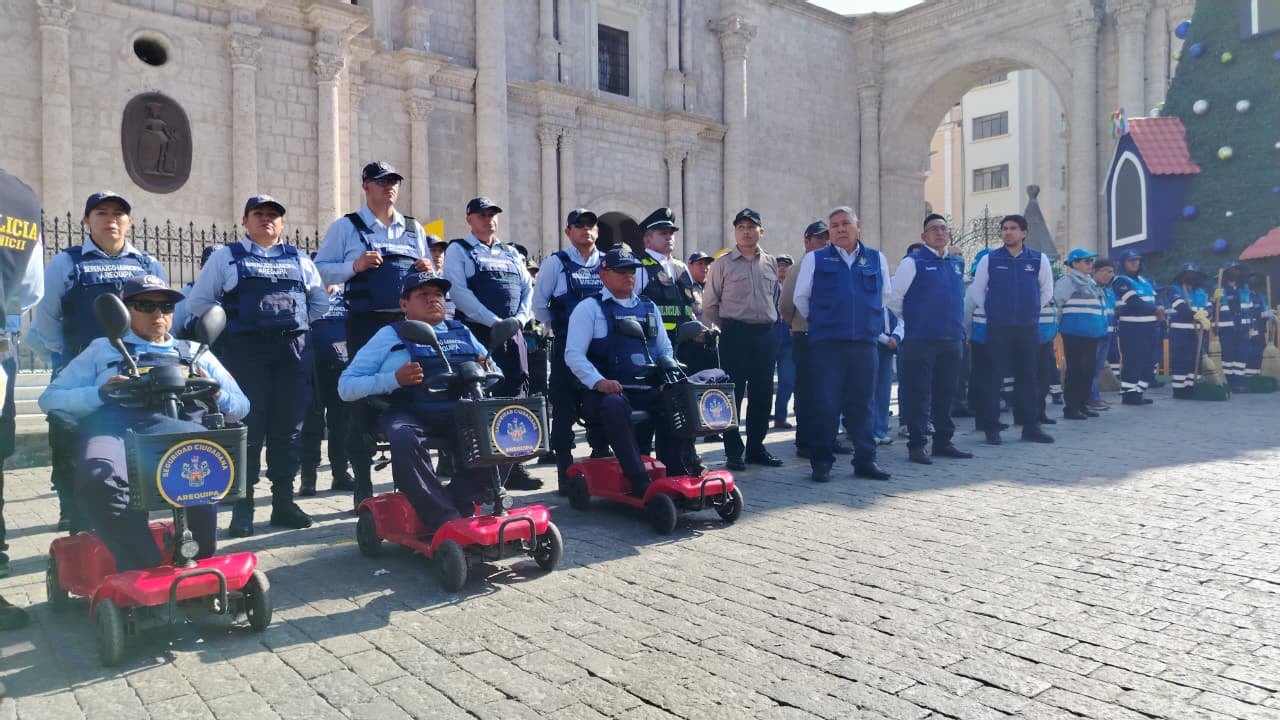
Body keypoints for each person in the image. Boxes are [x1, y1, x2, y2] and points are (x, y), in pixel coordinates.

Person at [38, 275, 249, 570]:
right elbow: (50, 398)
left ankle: (198, 558)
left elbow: (241, 406)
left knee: (203, 468)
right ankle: (142, 565)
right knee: (99, 476)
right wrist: (99, 393)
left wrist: (216, 393)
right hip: (116, 430)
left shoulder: (195, 352)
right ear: (124, 311)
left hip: (179, 431)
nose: (158, 314)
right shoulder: (103, 349)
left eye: (166, 306)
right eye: (146, 305)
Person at [186, 195, 328, 536]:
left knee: (288, 429)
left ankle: (283, 503)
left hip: (292, 353)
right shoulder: (226, 257)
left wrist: (291, 324)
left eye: (273, 215)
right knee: (248, 430)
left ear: (282, 223)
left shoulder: (299, 258)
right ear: (245, 221)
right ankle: (243, 506)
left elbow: (320, 302)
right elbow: (199, 302)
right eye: (259, 213)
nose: (266, 219)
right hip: (247, 353)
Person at [26, 191, 167, 533]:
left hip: (133, 372)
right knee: (69, 443)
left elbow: (160, 316)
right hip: (81, 369)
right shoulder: (67, 263)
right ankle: (74, 517)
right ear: (87, 220)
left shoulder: (147, 264)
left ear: (129, 221)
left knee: (130, 445)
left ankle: (128, 517)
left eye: (118, 213)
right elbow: (45, 321)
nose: (110, 219)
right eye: (101, 212)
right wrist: (68, 358)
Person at [314, 161, 434, 509]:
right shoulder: (346, 227)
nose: (389, 187)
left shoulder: (414, 228)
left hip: (407, 327)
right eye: (382, 182)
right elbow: (319, 270)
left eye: (394, 181)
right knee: (363, 399)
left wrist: (427, 269)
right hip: (366, 324)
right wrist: (355, 266)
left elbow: (428, 282)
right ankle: (363, 485)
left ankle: (411, 483)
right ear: (366, 185)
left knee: (412, 396)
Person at [337, 273, 495, 532]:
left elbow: (494, 371)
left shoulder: (461, 331)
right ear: (404, 305)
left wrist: (486, 369)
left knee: (505, 431)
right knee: (402, 436)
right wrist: (393, 379)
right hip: (410, 413)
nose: (433, 300)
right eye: (423, 295)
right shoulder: (390, 335)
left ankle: (458, 500)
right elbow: (346, 386)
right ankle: (443, 518)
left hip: (461, 412)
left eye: (438, 295)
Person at [564, 248, 703, 495]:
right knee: (614, 405)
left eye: (632, 271)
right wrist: (599, 381)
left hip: (644, 387)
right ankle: (638, 480)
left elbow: (664, 348)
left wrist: (668, 371)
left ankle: (676, 471)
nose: (628, 275)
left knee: (678, 398)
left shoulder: (648, 307)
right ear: (603, 274)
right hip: (603, 393)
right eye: (621, 271)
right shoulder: (589, 308)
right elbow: (573, 354)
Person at [442, 196, 541, 490]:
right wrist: (493, 322)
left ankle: (514, 467)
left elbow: (527, 289)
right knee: (478, 398)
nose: (489, 220)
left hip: (513, 333)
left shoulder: (510, 252)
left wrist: (519, 321)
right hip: (477, 333)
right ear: (469, 219)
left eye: (492, 214)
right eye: (482, 215)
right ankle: (473, 471)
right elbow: (459, 292)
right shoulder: (459, 249)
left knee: (517, 395)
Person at [793, 206, 892, 482]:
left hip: (864, 343)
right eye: (834, 225)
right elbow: (801, 298)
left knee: (863, 404)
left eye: (845, 223)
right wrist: (826, 322)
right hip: (828, 345)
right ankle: (822, 462)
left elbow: (885, 296)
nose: (840, 229)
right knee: (826, 404)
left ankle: (865, 460)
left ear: (858, 226)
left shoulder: (876, 259)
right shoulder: (815, 259)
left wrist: (865, 322)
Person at [887, 214, 972, 464]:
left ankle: (943, 442)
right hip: (920, 340)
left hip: (951, 339)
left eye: (944, 228)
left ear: (949, 234)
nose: (939, 232)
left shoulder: (956, 263)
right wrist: (914, 323)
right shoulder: (913, 262)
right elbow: (894, 300)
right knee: (919, 394)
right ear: (924, 236)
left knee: (946, 393)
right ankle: (917, 445)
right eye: (934, 229)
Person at [703, 208, 784, 470]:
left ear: (762, 231)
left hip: (765, 334)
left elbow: (775, 298)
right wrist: (728, 326)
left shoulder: (770, 262)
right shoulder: (723, 264)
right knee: (733, 394)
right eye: (741, 227)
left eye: (751, 227)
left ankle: (756, 448)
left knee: (762, 393)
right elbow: (710, 303)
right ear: (735, 231)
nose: (746, 232)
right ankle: (733, 451)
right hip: (735, 334)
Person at [531, 208, 605, 494]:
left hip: (599, 348)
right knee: (563, 407)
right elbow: (540, 305)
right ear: (568, 231)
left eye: (591, 225)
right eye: (579, 224)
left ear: (597, 231)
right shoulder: (556, 263)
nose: (586, 229)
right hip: (565, 346)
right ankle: (564, 471)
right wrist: (563, 331)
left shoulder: (606, 263)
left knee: (600, 402)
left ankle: (601, 463)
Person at [966, 214, 1054, 445]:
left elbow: (1046, 290)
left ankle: (1030, 427)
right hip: (998, 327)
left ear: (1024, 233)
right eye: (1004, 228)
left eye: (1013, 228)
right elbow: (977, 291)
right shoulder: (990, 259)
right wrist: (994, 311)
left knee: (1028, 376)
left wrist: (1031, 309)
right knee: (993, 377)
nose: (1008, 232)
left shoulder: (1038, 259)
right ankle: (991, 427)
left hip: (1027, 327)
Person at [780, 221, 851, 460]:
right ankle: (804, 441)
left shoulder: (835, 264)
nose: (824, 242)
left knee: (831, 390)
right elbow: (786, 304)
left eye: (826, 238)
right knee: (807, 391)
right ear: (807, 241)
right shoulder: (799, 268)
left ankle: (829, 438)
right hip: (806, 335)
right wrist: (795, 324)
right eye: (819, 238)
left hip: (831, 337)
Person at [299, 283, 352, 495]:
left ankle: (340, 473)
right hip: (311, 369)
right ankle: (308, 477)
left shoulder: (345, 297)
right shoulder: (306, 296)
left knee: (341, 424)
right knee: (311, 424)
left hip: (341, 369)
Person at [1053, 249, 1109, 417]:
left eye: (1091, 261)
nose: (1090, 264)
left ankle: (1082, 405)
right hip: (1074, 333)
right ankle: (1071, 408)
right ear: (1074, 263)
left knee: (1088, 371)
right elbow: (1057, 304)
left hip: (1092, 333)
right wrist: (1055, 327)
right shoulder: (1067, 281)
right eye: (1086, 261)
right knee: (1076, 370)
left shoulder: (1090, 282)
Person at [637, 208, 698, 342]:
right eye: (663, 233)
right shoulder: (640, 267)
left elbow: (689, 307)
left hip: (685, 342)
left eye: (671, 233)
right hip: (654, 340)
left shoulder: (681, 267)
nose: (669, 237)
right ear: (647, 240)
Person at [1111, 249, 1163, 405]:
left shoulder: (1144, 281)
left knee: (1150, 361)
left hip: (1150, 327)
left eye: (1137, 260)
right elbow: (1134, 302)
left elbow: (1155, 299)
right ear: (1123, 263)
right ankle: (1129, 395)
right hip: (1132, 327)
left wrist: (1160, 308)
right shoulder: (1120, 281)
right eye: (1131, 260)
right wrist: (1155, 310)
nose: (1135, 263)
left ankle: (1138, 392)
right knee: (1133, 361)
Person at [1165, 262, 1211, 399]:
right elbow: (1182, 309)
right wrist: (1196, 315)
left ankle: (1190, 386)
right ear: (1182, 276)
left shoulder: (1201, 292)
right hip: (1180, 332)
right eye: (1188, 274)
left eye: (1194, 274)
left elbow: (1209, 307)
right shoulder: (1174, 289)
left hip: (1198, 332)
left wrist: (1206, 314)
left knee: (1195, 360)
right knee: (1181, 360)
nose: (1191, 276)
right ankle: (1179, 389)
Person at [771, 254, 796, 430]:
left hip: (788, 337)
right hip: (770, 335)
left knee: (787, 379)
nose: (782, 268)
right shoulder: (769, 286)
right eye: (779, 265)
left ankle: (780, 416)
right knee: (764, 379)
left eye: (785, 265)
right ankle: (762, 415)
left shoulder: (795, 287)